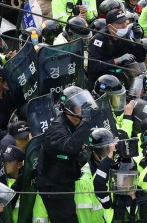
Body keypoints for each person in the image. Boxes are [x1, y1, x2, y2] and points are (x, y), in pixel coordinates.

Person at [37, 86, 98, 223]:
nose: (84, 109)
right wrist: (86, 121)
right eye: (79, 107)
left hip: (66, 181)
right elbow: (71, 146)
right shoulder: (57, 128)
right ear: (69, 109)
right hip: (53, 187)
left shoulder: (75, 123)